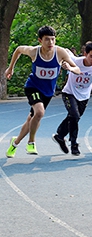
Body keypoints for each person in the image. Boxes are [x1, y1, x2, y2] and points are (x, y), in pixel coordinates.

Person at [5, 26, 81, 157]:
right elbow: (18, 50)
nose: (50, 42)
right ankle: (31, 142)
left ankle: (15, 143)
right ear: (40, 40)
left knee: (32, 119)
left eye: (53, 39)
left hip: (48, 92)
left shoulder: (60, 53)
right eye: (47, 39)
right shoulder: (34, 52)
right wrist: (10, 68)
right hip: (33, 87)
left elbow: (78, 70)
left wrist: (69, 68)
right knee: (39, 112)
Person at [53, 41, 92, 156]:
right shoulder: (75, 61)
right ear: (85, 54)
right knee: (74, 115)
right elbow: (64, 51)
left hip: (84, 96)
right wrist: (66, 66)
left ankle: (60, 136)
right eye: (91, 56)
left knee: (74, 118)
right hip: (69, 93)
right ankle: (74, 144)